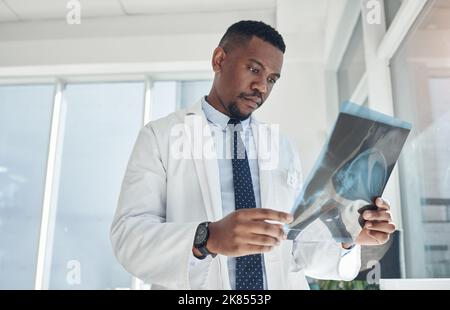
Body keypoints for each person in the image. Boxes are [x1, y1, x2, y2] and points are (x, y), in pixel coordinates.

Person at [110, 20, 396, 290]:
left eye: (272, 79)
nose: (262, 87)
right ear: (219, 60)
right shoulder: (161, 136)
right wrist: (206, 238)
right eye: (254, 69)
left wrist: (346, 236)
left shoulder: (282, 147)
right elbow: (129, 237)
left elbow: (297, 250)